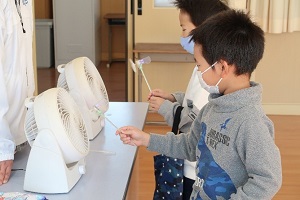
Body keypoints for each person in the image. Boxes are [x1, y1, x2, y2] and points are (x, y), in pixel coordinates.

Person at [117, 10, 282, 199]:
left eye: (199, 65)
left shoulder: (252, 123)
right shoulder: (211, 108)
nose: (198, 72)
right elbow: (190, 146)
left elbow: (268, 180)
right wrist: (146, 139)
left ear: (222, 67)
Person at [148, 0, 229, 198]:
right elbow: (192, 101)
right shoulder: (201, 69)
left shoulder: (210, 76)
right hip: (187, 160)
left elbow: (195, 121)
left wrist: (166, 108)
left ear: (205, 31)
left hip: (195, 166)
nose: (182, 36)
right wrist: (172, 97)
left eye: (184, 29)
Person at [0, 0, 35, 185]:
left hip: (18, 139)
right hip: (3, 147)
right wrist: (2, 148)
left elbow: (23, 70)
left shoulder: (24, 3)